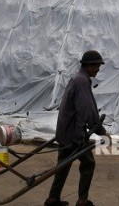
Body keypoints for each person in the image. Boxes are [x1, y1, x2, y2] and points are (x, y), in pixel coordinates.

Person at [45, 50, 108, 206]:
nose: (98, 69)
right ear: (88, 66)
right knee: (88, 163)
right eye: (96, 66)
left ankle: (53, 198)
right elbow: (87, 110)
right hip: (73, 133)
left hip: (65, 130)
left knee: (63, 165)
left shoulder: (78, 78)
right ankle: (82, 200)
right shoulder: (82, 81)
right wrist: (101, 131)